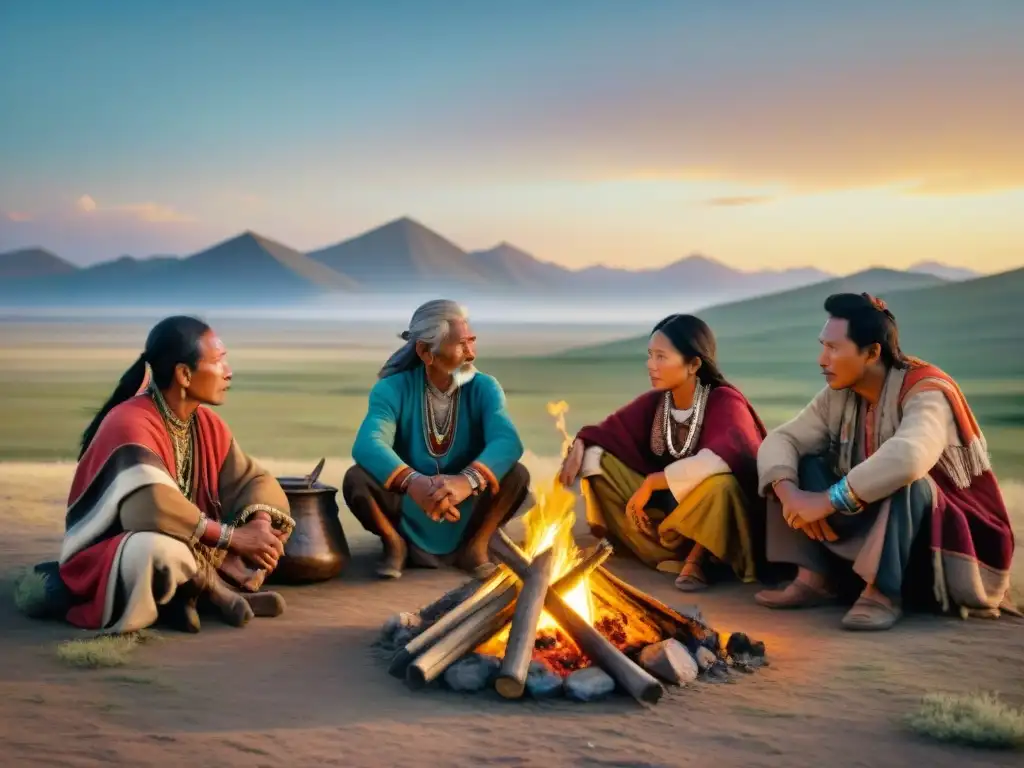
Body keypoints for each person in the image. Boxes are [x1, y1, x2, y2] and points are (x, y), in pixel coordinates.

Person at [16, 316, 295, 634]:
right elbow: (147, 510)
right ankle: (213, 592)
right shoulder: (130, 421)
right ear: (185, 374)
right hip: (116, 550)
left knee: (266, 522)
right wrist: (232, 538)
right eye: (219, 361)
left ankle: (190, 594)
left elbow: (252, 480)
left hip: (193, 541)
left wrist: (257, 524)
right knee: (159, 550)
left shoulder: (207, 423)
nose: (228, 371)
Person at [754, 293, 1017, 631]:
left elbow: (910, 456)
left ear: (873, 352)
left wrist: (825, 500)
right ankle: (814, 579)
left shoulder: (926, 390)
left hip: (940, 538)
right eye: (823, 346)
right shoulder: (839, 393)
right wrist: (792, 496)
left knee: (910, 481)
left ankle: (883, 594)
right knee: (797, 463)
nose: (822, 359)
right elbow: (782, 439)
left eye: (834, 348)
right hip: (876, 522)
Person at [557, 314, 768, 592]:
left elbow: (722, 458)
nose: (650, 365)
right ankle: (643, 545)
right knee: (599, 459)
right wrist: (581, 446)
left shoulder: (724, 400)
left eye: (661, 357)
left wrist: (653, 481)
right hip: (666, 513)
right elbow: (604, 433)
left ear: (694, 364)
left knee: (721, 485)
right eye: (650, 356)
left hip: (711, 516)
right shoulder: (657, 402)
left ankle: (699, 559)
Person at [343, 299, 530, 580]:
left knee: (516, 474)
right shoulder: (391, 390)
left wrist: (465, 482)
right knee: (356, 478)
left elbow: (507, 441)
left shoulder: (485, 387)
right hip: (410, 504)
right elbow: (368, 443)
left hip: (466, 501)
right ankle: (395, 544)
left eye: (472, 342)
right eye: (460, 344)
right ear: (424, 352)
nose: (471, 354)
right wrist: (415, 483)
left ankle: (475, 546)